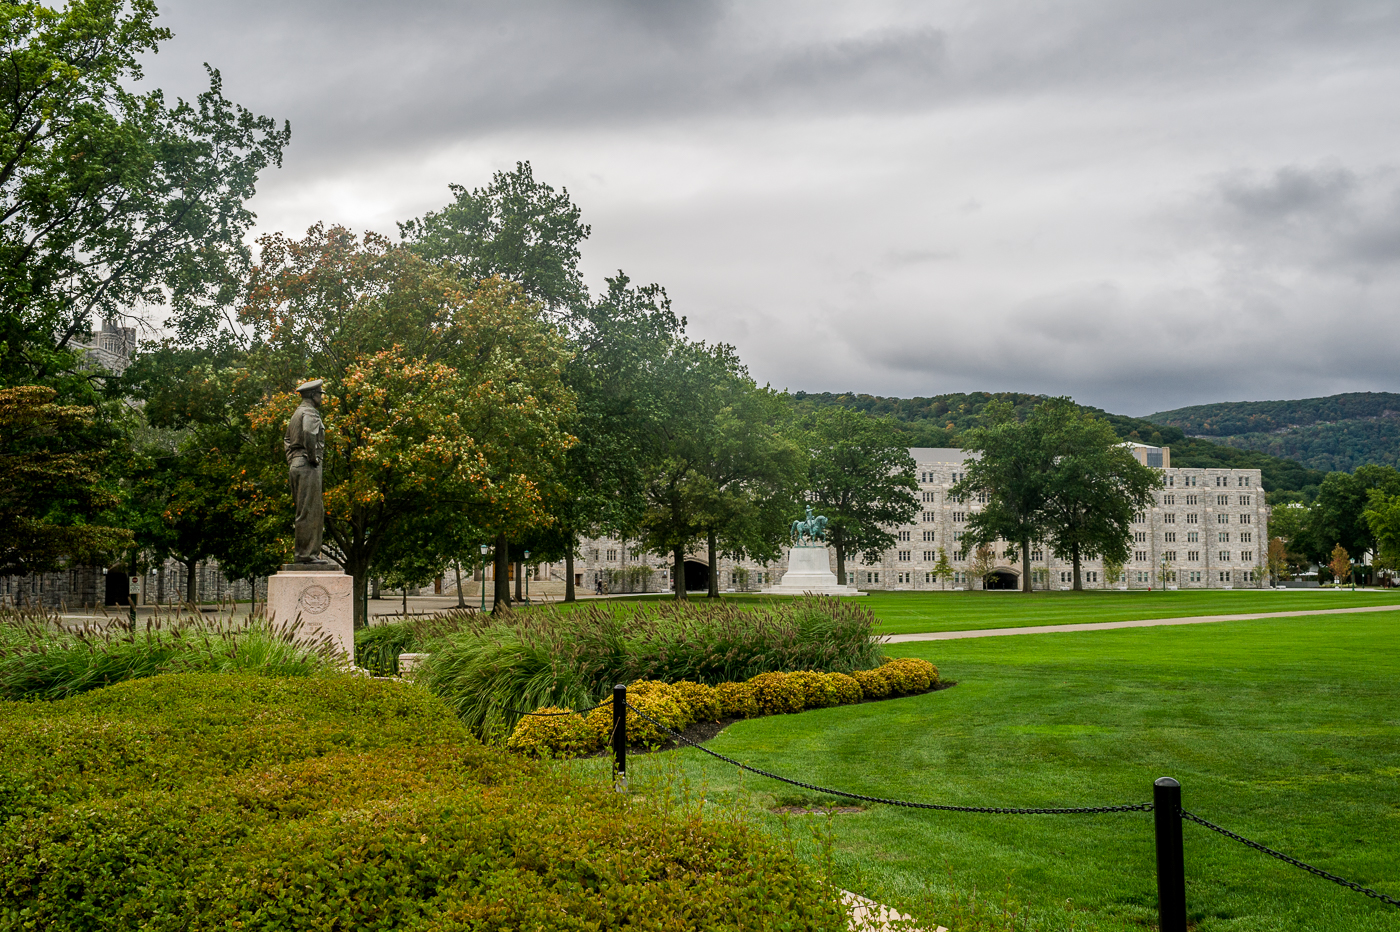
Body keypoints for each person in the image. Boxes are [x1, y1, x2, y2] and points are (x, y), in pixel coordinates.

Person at [284, 379, 328, 563]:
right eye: (319, 394)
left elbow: (287, 440)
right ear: (312, 395)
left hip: (296, 464)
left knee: (306, 509)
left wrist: (293, 460)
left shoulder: (296, 414)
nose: (321, 398)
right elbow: (310, 434)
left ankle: (306, 554)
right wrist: (312, 458)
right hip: (307, 465)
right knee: (311, 510)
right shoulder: (309, 412)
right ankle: (306, 555)